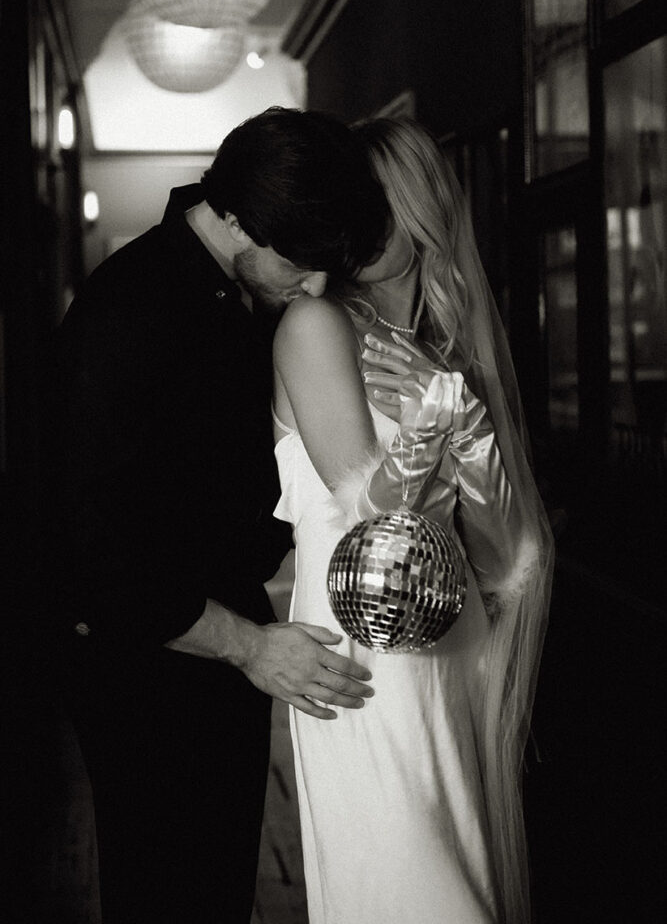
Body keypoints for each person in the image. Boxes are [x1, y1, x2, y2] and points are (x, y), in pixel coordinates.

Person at [42, 107, 389, 924]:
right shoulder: (128, 314)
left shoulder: (230, 290)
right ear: (236, 218)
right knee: (167, 892)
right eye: (301, 263)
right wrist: (251, 646)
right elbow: (93, 558)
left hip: (216, 651)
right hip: (152, 664)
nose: (311, 288)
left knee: (215, 890)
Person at [272, 117, 554, 924]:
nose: (350, 224)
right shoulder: (312, 326)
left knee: (462, 882)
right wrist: (440, 413)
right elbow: (376, 523)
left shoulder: (445, 347)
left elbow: (508, 560)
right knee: (410, 891)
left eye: (371, 202)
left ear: (418, 207)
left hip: (452, 649)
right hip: (367, 654)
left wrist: (462, 415)